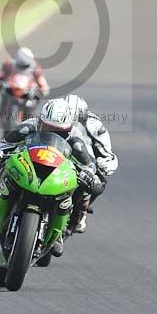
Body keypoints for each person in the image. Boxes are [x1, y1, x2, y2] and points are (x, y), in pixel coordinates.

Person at [0, 98, 104, 254]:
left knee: (79, 185)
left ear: (68, 128)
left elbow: (89, 165)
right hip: (29, 165)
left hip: (57, 171)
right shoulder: (28, 127)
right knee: (1, 163)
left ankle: (60, 231)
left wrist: (91, 177)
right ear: (41, 121)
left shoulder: (76, 139)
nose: (53, 132)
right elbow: (4, 144)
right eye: (47, 128)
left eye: (59, 131)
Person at [63, 93, 119, 233]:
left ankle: (81, 211)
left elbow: (108, 155)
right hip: (57, 155)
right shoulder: (54, 118)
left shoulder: (95, 126)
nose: (72, 126)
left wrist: (104, 163)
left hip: (84, 162)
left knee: (98, 181)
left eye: (77, 121)